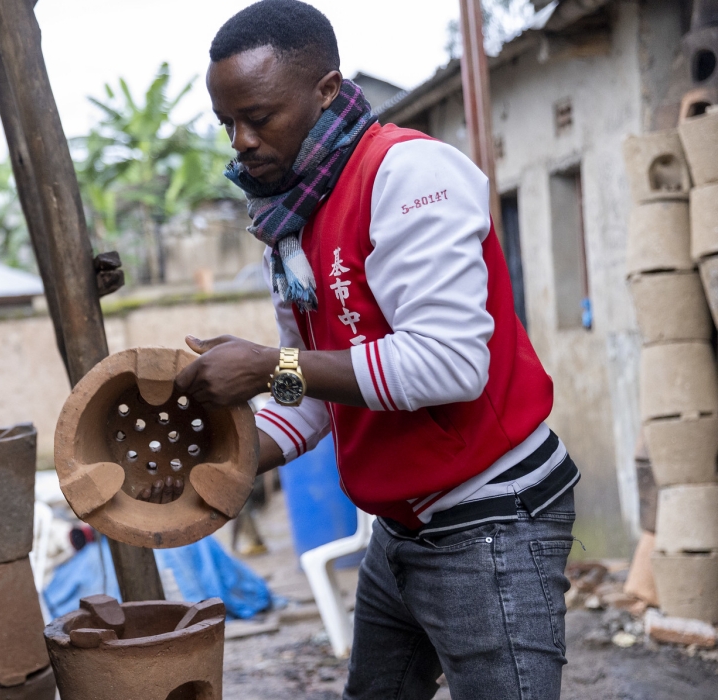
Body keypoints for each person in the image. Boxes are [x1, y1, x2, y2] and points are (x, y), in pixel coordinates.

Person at [158, 2, 581, 698]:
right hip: (403, 523)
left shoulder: (410, 176)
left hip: (491, 516)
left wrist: (268, 366)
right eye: (227, 123)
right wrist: (226, 462)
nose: (240, 141)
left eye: (259, 117)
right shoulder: (289, 220)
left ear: (325, 91)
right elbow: (314, 394)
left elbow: (449, 365)